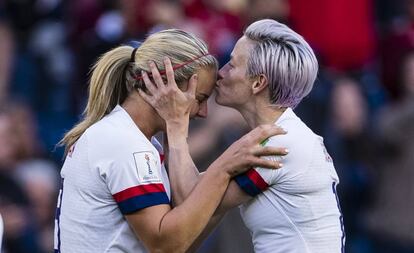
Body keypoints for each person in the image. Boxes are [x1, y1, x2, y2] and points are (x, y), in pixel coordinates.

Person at [54, 29, 286, 253]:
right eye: (200, 98)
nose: (203, 112)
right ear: (166, 85)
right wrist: (223, 168)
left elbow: (185, 239)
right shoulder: (125, 143)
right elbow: (166, 245)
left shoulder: (135, 139)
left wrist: (223, 190)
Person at [140, 19, 345, 253]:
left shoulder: (280, 145)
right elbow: (203, 195)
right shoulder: (282, 136)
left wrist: (175, 124)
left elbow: (191, 200)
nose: (221, 72)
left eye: (232, 64)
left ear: (258, 83)